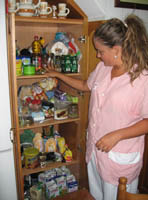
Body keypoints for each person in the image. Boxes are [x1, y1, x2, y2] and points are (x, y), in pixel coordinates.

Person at [46, 14, 148, 200]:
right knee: (96, 195)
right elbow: (86, 85)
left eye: (100, 51)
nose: (97, 55)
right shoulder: (103, 68)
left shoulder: (142, 78)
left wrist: (117, 135)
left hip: (119, 156)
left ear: (116, 49)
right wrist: (58, 74)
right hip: (95, 150)